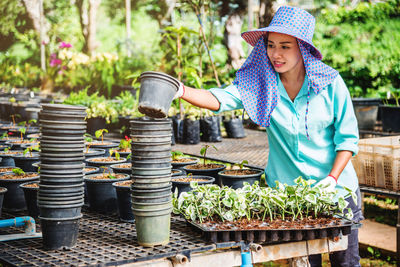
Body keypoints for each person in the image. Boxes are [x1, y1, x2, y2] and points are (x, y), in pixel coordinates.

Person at [173, 5, 363, 267]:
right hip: (290, 198)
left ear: (303, 48)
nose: (276, 53)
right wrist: (181, 90)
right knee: (303, 263)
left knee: (346, 262)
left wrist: (332, 178)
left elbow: (347, 140)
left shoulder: (331, 84)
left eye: (285, 46)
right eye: (271, 45)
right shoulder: (262, 85)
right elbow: (219, 99)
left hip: (338, 191)